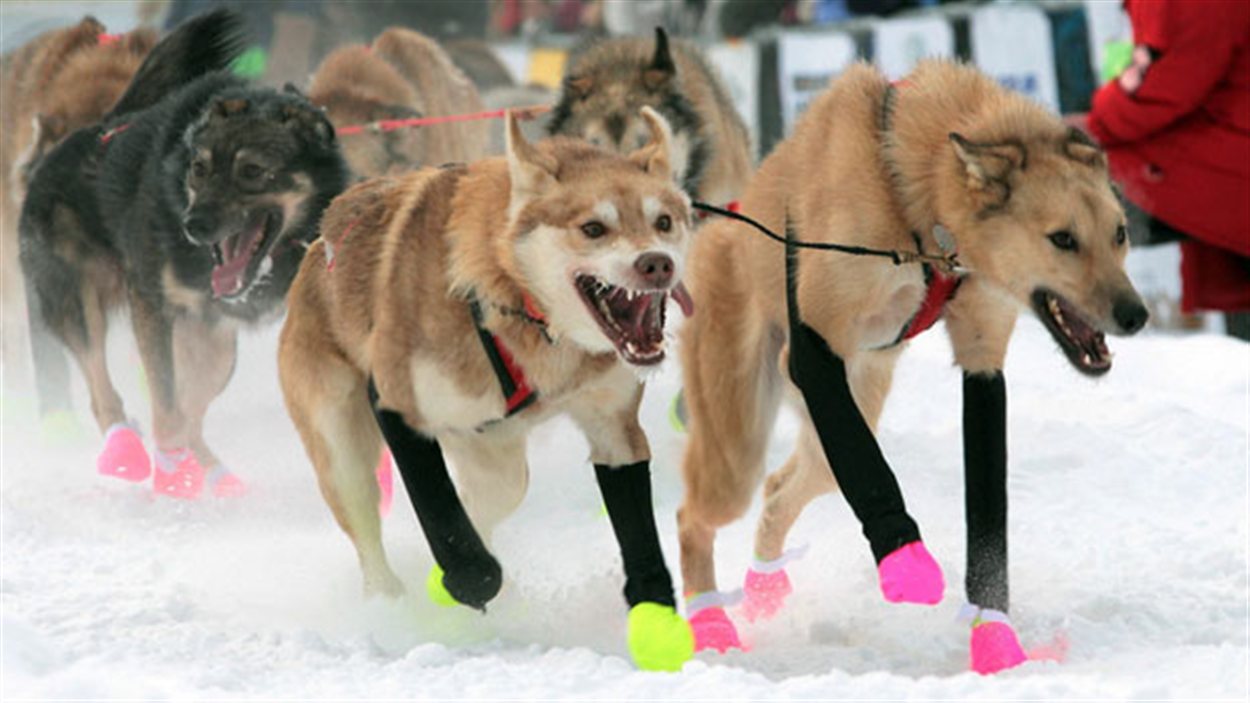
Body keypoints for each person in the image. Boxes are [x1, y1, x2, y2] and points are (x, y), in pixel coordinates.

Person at [1078, 0, 1249, 338]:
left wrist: (1098, 120)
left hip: (1226, 157)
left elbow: (1164, 83)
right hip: (1221, 143)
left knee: (1073, 185)